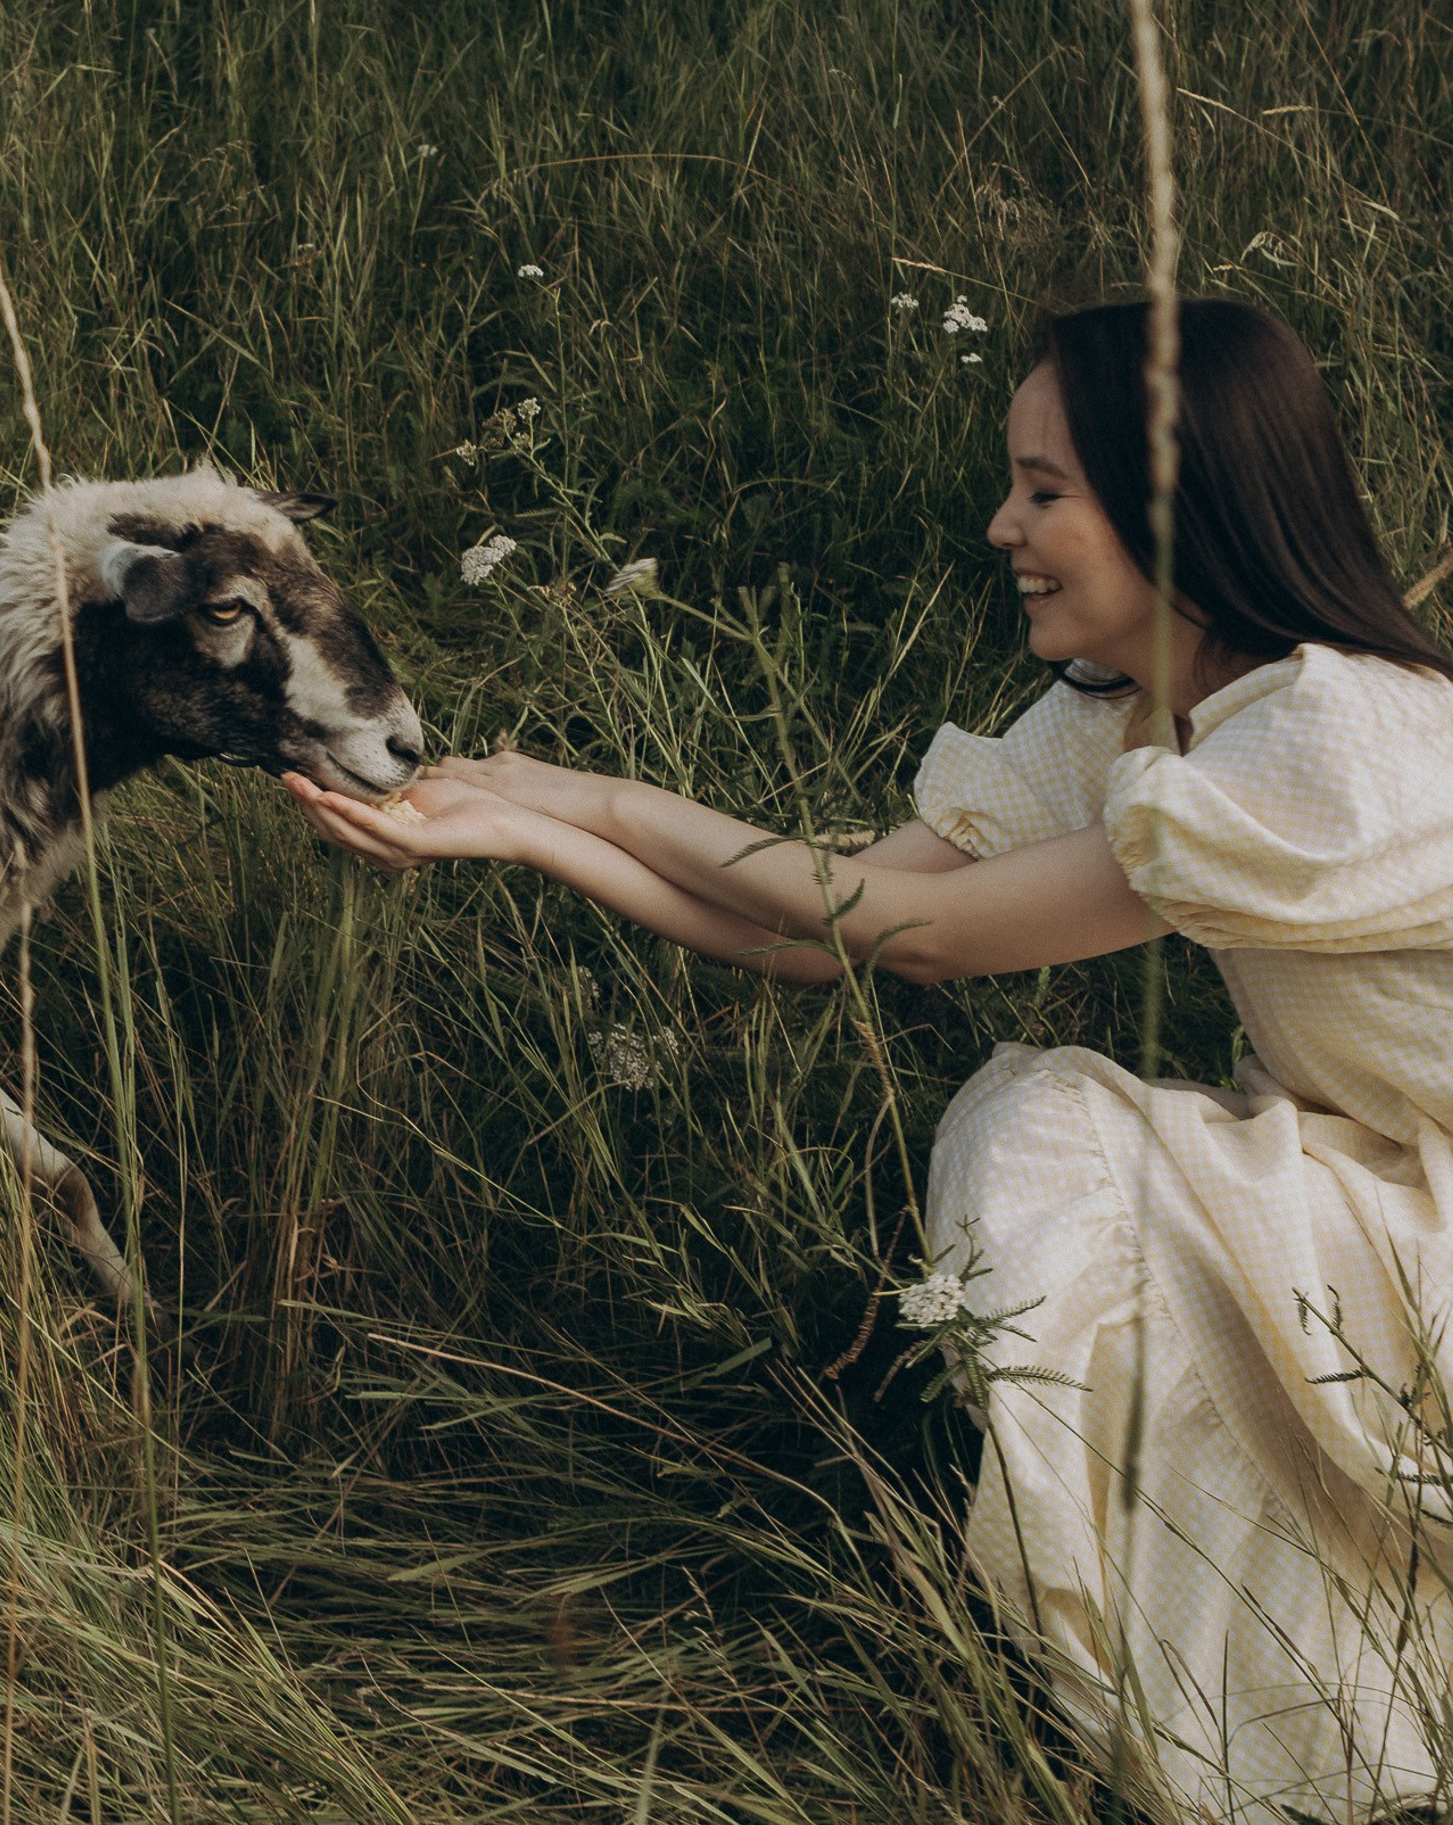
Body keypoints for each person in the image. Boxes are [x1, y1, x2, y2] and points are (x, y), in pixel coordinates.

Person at [290, 296, 1453, 1821]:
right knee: (1069, 1156)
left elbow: (924, 938)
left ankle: (1257, 1729)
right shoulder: (1136, 719)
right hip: (1380, 1179)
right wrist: (531, 828)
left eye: (1045, 489)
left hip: (1422, 1216)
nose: (1001, 525)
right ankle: (1260, 1740)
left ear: (1175, 499)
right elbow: (826, 916)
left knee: (1053, 1142)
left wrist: (610, 799)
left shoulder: (1323, 738)